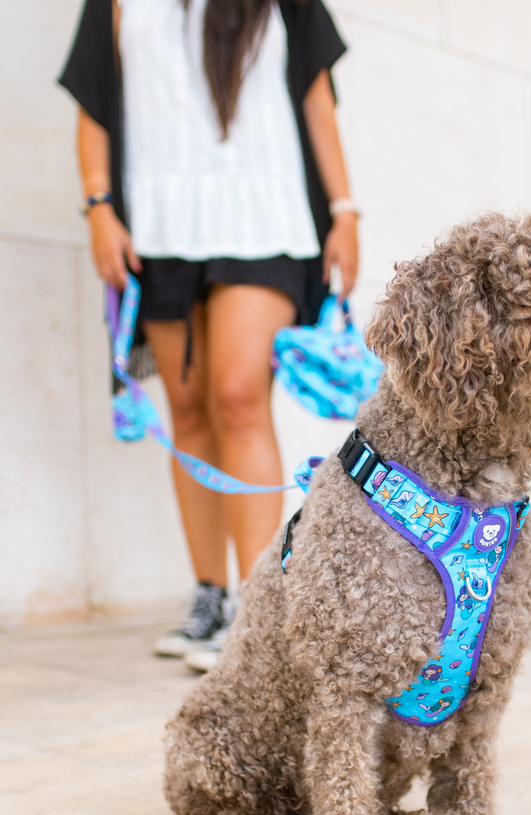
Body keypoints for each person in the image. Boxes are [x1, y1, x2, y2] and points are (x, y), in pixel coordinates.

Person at [59, 0, 358, 665]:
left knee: (237, 397)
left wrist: (344, 211)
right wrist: (98, 206)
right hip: (159, 225)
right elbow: (94, 98)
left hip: (265, 217)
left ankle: (259, 610)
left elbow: (317, 98)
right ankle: (210, 596)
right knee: (188, 410)